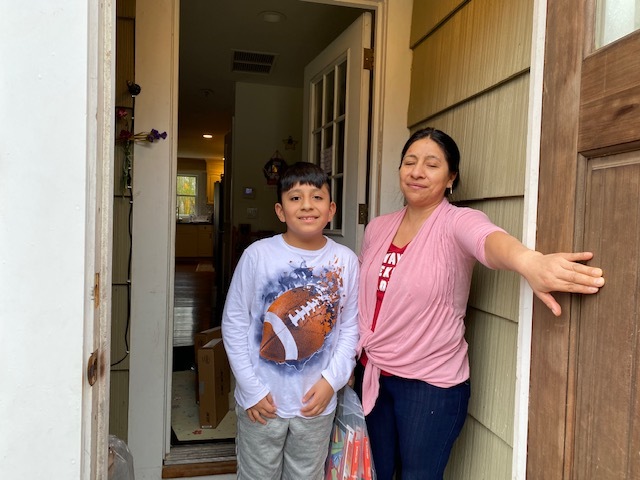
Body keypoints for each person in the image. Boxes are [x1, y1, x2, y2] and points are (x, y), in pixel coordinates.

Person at [355, 127, 605, 480]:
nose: (417, 171)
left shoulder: (457, 221)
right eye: (409, 162)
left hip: (429, 386)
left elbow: (489, 241)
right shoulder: (377, 228)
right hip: (372, 372)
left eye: (431, 164)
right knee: (375, 472)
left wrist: (528, 261)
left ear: (450, 178)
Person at [221, 162, 359, 480]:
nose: (307, 205)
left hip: (316, 402)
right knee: (257, 474)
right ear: (280, 211)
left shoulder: (346, 261)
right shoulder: (258, 255)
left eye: (316, 197)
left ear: (331, 209)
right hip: (261, 401)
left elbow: (350, 326)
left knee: (306, 475)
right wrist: (251, 389)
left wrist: (331, 382)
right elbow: (234, 323)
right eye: (295, 198)